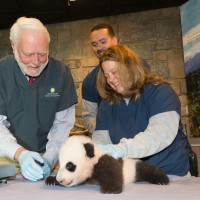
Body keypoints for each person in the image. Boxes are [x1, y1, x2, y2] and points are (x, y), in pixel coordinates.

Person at [93, 44, 190, 176]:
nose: (110, 79)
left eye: (114, 72)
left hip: (171, 175)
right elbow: (101, 142)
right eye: (107, 75)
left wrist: (119, 150)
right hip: (131, 177)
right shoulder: (106, 104)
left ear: (129, 67)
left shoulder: (160, 92)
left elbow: (158, 136)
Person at [0, 17, 77, 181]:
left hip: (46, 155)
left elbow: (63, 125)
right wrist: (20, 154)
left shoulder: (61, 73)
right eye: (28, 54)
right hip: (6, 157)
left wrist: (50, 158)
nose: (36, 62)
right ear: (13, 46)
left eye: (42, 54)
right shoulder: (2, 73)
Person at [82, 23, 149, 133]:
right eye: (94, 44)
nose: (99, 47)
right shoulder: (89, 82)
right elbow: (89, 117)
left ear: (114, 40)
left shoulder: (138, 65)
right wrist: (108, 135)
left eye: (103, 42)